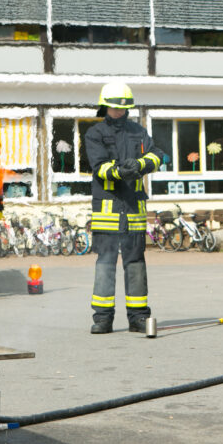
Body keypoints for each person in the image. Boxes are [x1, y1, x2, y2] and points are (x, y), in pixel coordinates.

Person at [84, 82, 165, 334]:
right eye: (115, 108)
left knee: (135, 263)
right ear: (105, 106)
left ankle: (138, 317)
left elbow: (157, 155)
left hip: (133, 209)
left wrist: (140, 164)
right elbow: (99, 167)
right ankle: (103, 318)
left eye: (123, 109)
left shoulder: (138, 132)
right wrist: (121, 170)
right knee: (105, 264)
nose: (119, 112)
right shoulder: (94, 134)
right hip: (108, 209)